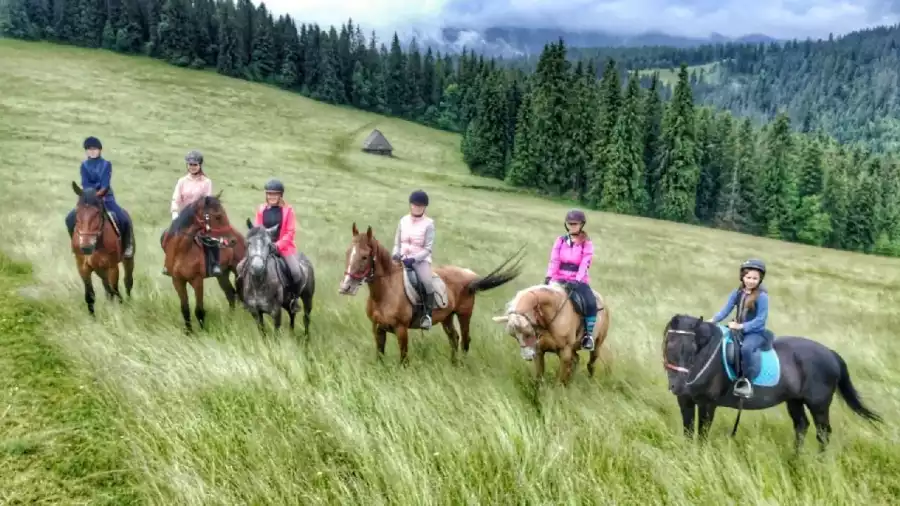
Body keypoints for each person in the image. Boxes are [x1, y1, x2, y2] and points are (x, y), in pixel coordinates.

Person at [709, 258, 771, 399]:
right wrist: (712, 320)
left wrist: (741, 326)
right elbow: (726, 309)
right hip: (736, 329)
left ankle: (747, 381)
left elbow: (761, 320)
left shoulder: (762, 297)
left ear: (760, 279)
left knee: (746, 349)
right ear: (742, 277)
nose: (751, 281)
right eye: (748, 277)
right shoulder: (737, 293)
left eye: (755, 278)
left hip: (755, 333)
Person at [65, 136, 134, 258]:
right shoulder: (84, 165)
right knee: (69, 218)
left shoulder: (106, 164)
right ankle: (76, 244)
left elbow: (105, 183)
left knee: (123, 218)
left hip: (105, 196)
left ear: (100, 150)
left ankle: (128, 245)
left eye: (94, 149)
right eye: (89, 149)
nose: (92, 151)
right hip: (88, 199)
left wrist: (98, 194)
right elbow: (85, 183)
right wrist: (89, 195)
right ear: (86, 151)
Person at [544, 209, 598, 351]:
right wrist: (550, 277)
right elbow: (554, 260)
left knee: (591, 303)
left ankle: (588, 335)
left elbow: (585, 263)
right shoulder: (560, 241)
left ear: (581, 225)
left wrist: (578, 280)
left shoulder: (587, 243)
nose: (572, 226)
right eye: (570, 224)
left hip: (577, 280)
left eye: (575, 224)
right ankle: (539, 332)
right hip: (559, 278)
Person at [162, 150, 217, 276]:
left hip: (200, 217)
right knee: (166, 236)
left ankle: (214, 264)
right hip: (183, 218)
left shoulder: (206, 182)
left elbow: (207, 201)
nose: (192, 167)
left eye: (195, 165)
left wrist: (205, 217)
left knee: (211, 238)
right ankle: (168, 264)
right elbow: (175, 199)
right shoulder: (182, 181)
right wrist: (175, 213)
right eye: (190, 164)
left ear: (200, 165)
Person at [253, 179, 303, 311]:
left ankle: (294, 299)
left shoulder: (288, 210)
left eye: (275, 194)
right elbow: (258, 229)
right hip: (264, 247)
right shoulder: (261, 209)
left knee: (296, 272)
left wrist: (277, 245)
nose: (272, 197)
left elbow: (290, 232)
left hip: (283, 248)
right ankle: (249, 296)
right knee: (243, 266)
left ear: (281, 195)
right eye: (269, 194)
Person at [392, 190, 435, 329]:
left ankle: (427, 315)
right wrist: (395, 254)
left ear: (424, 207)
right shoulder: (403, 221)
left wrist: (414, 259)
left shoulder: (429, 224)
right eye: (415, 205)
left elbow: (428, 248)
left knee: (427, 283)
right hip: (401, 258)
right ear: (410, 205)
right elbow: (397, 242)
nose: (417, 207)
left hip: (420, 261)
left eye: (420, 206)